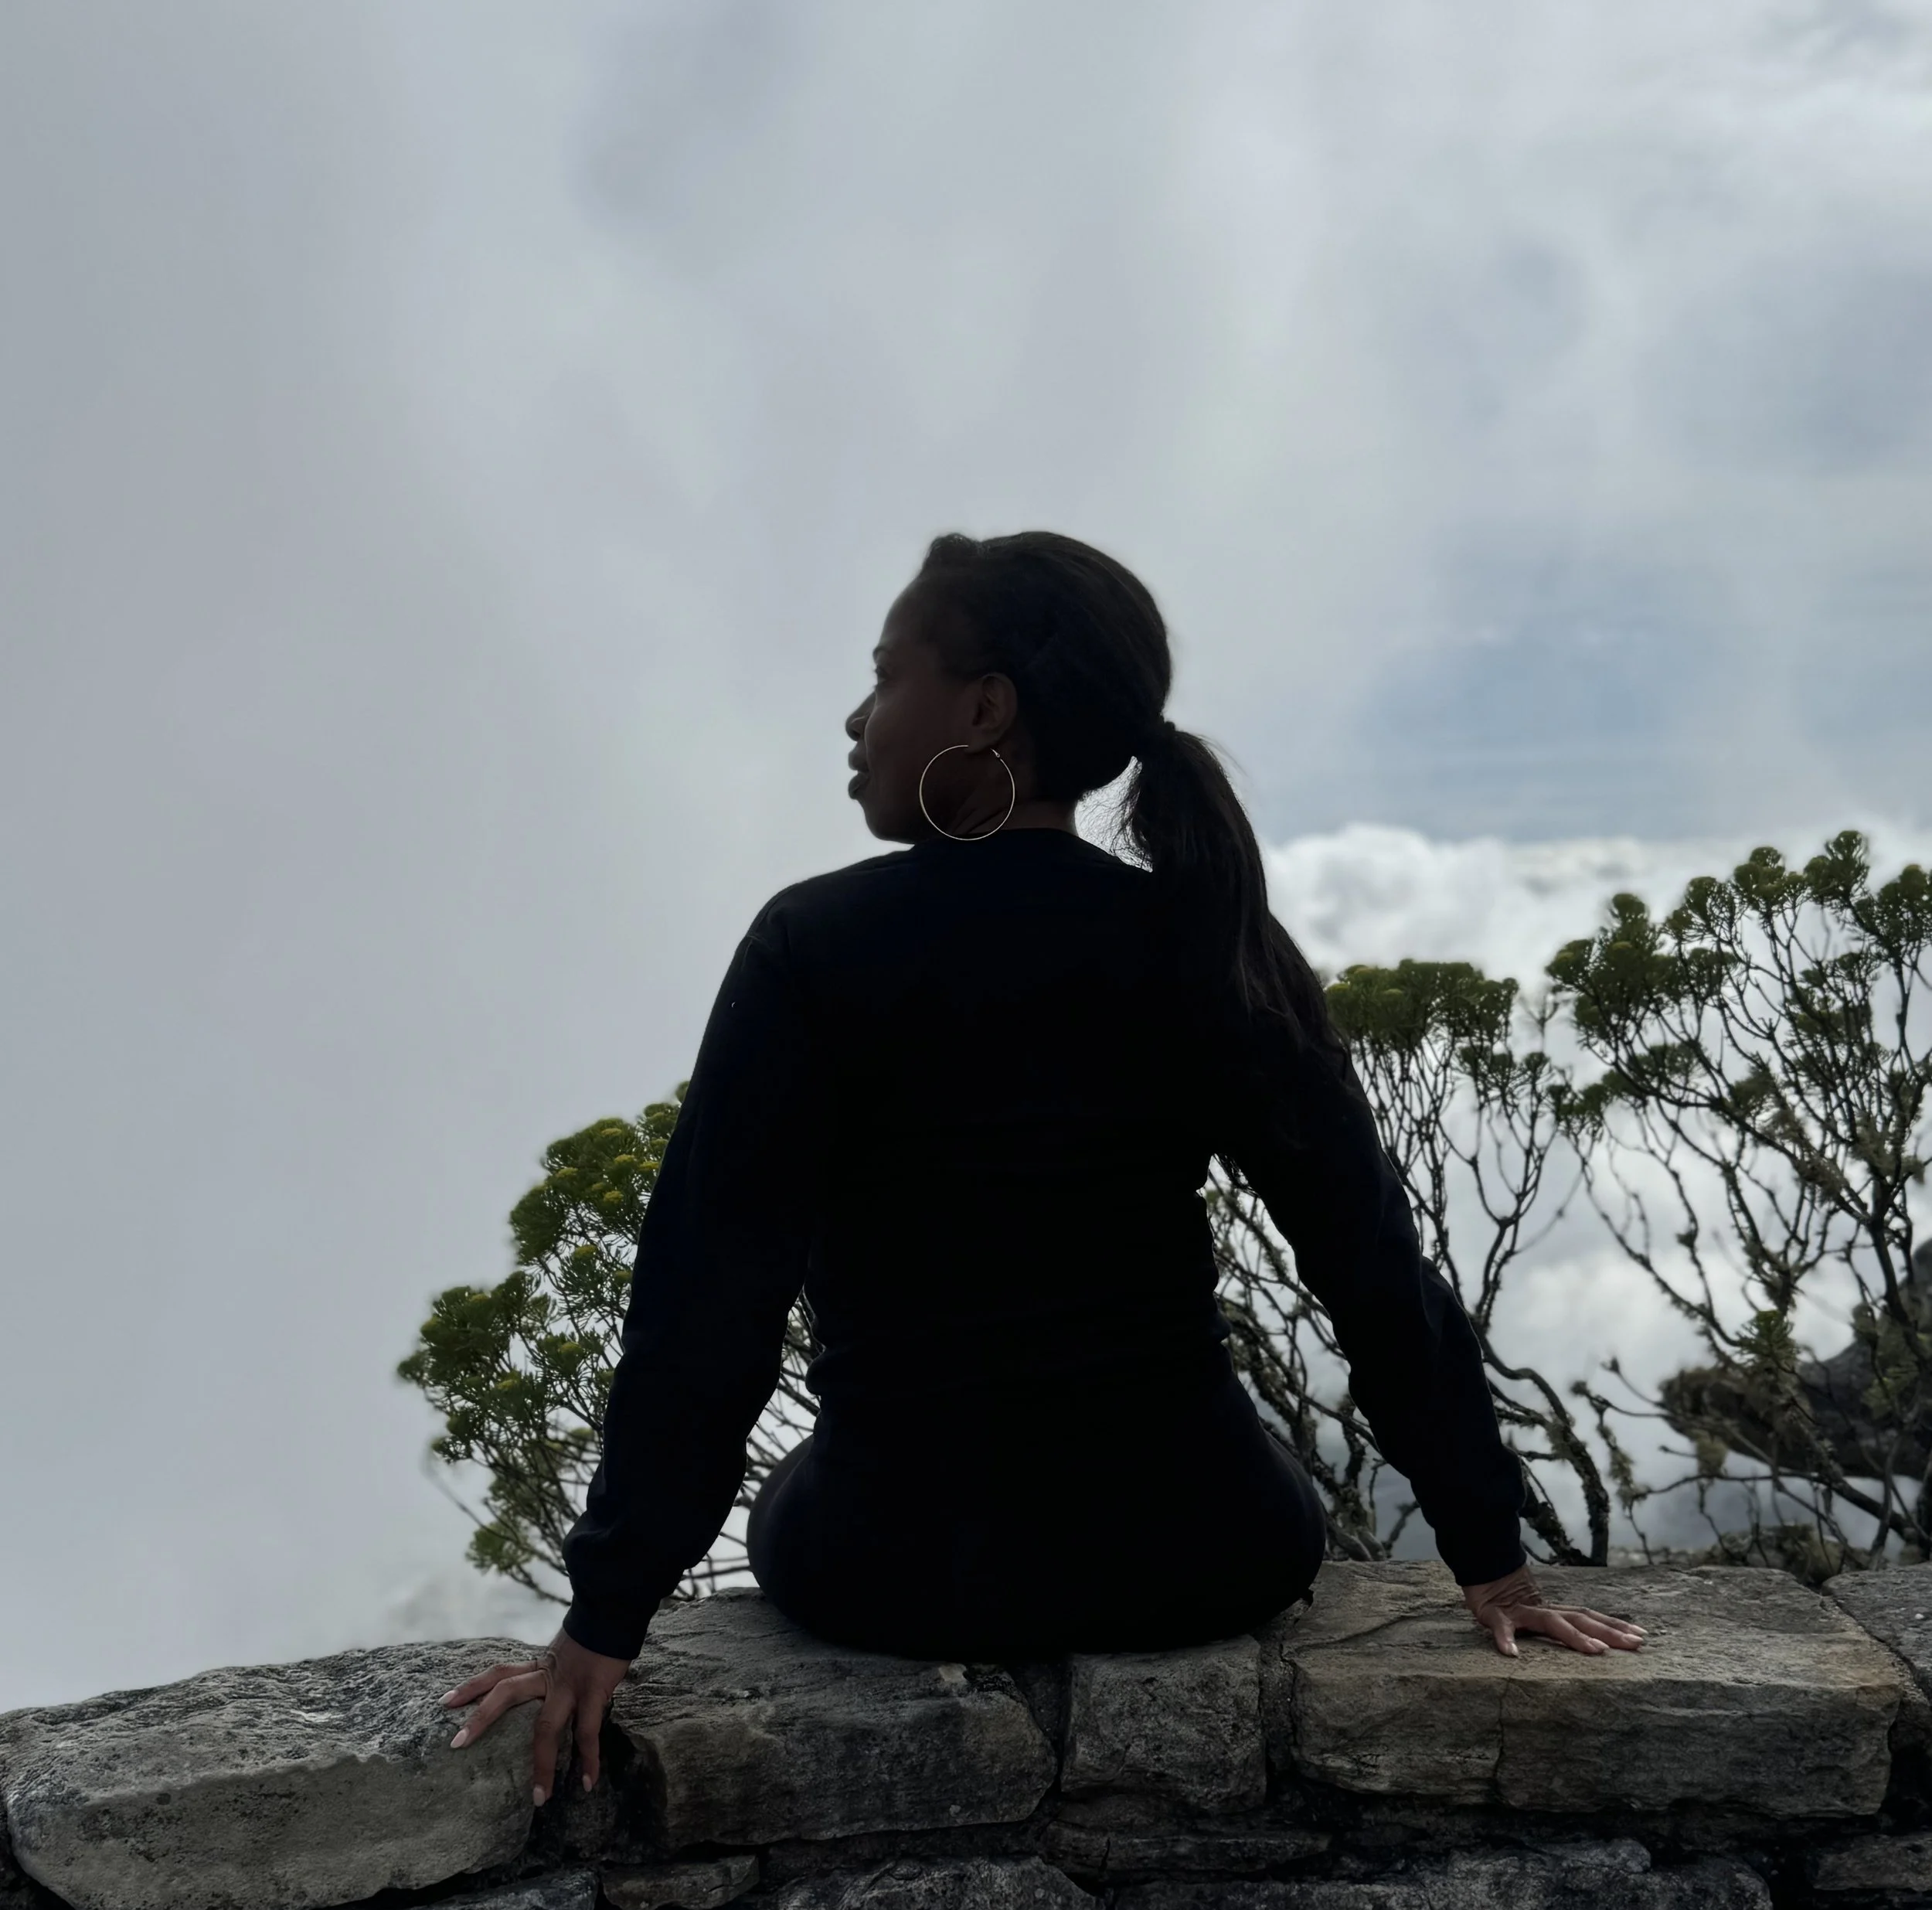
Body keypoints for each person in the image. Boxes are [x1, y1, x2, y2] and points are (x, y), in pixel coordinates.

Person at [447, 530, 1643, 1802]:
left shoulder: (815, 947)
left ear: (985, 709)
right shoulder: (1199, 939)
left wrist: (604, 1623)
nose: (856, 719)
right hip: (1204, 1554)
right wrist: (1488, 1555)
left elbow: (708, 1301)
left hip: (889, 1571)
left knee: (816, 1478)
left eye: (885, 677)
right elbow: (1370, 1266)